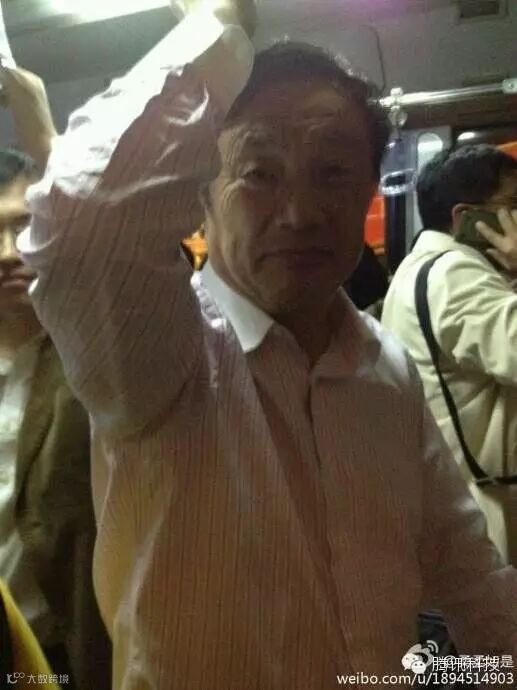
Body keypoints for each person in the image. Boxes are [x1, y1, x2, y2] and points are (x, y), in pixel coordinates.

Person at [17, 1, 517, 687]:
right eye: (259, 173)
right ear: (202, 196)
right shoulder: (158, 356)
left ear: (368, 191)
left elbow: (471, 580)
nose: (300, 213)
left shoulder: (385, 368)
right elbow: (82, 219)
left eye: (333, 173)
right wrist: (216, 27)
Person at [0, 67, 111, 690]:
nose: (8, 253)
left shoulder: (97, 348)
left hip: (71, 656)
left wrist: (43, 133)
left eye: (23, 226)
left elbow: (124, 259)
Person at [382, 144, 517, 564]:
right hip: (488, 511)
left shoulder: (425, 267)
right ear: (466, 218)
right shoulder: (453, 273)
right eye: (513, 205)